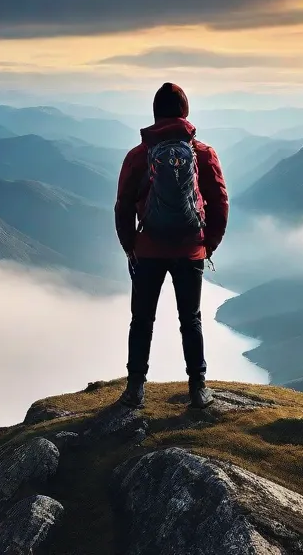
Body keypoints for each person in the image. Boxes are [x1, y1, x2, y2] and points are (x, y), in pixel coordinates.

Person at [113, 82, 229, 409]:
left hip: (148, 249)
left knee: (142, 320)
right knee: (190, 320)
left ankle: (135, 388)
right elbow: (220, 202)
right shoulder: (203, 154)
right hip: (190, 250)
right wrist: (208, 245)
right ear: (185, 112)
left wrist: (129, 246)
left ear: (154, 113)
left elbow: (123, 205)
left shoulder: (139, 156)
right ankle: (198, 388)